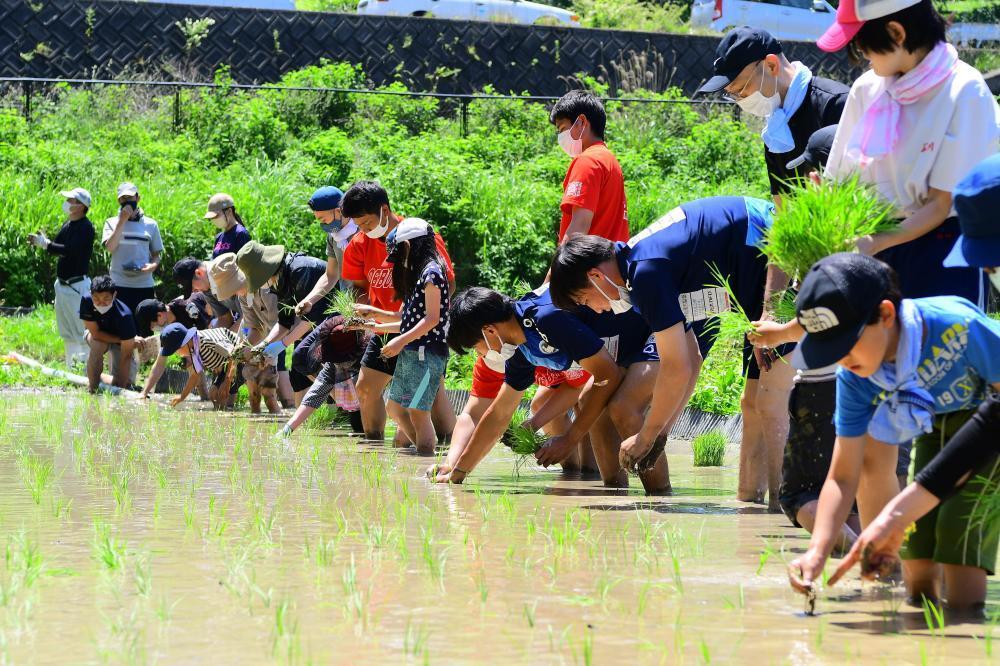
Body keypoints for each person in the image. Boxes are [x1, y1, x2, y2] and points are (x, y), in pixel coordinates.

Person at [786, 253, 1000, 612]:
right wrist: (818, 551)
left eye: (845, 345)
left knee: (958, 540)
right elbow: (842, 476)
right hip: (937, 429)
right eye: (830, 351)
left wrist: (898, 513)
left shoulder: (957, 327)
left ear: (885, 315)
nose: (842, 360)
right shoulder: (855, 377)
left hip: (990, 427)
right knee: (915, 554)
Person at [547, 196, 788, 503]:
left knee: (770, 400)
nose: (595, 310)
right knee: (752, 403)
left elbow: (677, 367)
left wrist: (645, 437)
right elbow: (692, 358)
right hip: (755, 268)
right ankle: (752, 514)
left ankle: (785, 509)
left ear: (595, 276)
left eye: (584, 301)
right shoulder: (639, 264)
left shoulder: (645, 273)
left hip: (775, 253)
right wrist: (660, 435)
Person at [820, 0, 1000, 306]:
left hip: (943, 249)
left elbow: (939, 204)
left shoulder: (964, 91)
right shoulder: (867, 89)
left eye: (863, 45)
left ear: (896, 33)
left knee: (940, 348)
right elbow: (839, 178)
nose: (861, 56)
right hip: (872, 246)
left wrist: (872, 243)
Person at [749, 126, 864, 550]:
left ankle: (861, 555)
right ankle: (874, 566)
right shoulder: (878, 227)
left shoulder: (821, 239)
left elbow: (822, 313)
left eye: (811, 173)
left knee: (798, 495)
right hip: (871, 379)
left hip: (823, 384)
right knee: (850, 489)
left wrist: (777, 332)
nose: (806, 184)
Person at [431, 285, 665, 491]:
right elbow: (499, 414)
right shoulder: (520, 351)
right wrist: (458, 473)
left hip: (652, 331)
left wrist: (570, 438)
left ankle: (661, 497)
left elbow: (607, 376)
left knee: (622, 408)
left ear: (490, 331)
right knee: (601, 428)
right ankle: (619, 507)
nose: (480, 355)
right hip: (619, 354)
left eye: (476, 348)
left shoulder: (547, 318)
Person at [340, 181, 457, 444]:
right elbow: (359, 285)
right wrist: (367, 318)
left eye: (367, 223)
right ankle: (375, 448)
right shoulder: (360, 243)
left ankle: (444, 453)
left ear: (384, 210)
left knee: (430, 403)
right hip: (388, 326)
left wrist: (431, 326)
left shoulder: (418, 236)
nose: (364, 230)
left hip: (422, 333)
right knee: (367, 389)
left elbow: (446, 283)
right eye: (358, 225)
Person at [697, 27, 849, 208]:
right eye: (733, 95)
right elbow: (782, 206)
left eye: (740, 89)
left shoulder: (838, 105)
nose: (740, 100)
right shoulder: (776, 128)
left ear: (771, 65)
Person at [353, 220, 451, 455]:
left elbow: (432, 319)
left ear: (408, 246)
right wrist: (374, 318)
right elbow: (407, 319)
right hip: (411, 352)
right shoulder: (418, 274)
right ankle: (424, 451)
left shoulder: (432, 274)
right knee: (395, 408)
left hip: (426, 353)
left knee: (418, 411)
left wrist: (400, 341)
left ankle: (426, 458)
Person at [235, 240, 334, 405]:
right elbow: (285, 322)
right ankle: (307, 421)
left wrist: (282, 344)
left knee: (303, 358)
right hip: (314, 323)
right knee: (297, 372)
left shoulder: (300, 270)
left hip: (332, 318)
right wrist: (265, 344)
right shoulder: (280, 281)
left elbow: (310, 318)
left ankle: (344, 405)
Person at [549, 90, 630, 244]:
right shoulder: (609, 160)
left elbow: (577, 231)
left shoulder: (587, 161)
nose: (560, 137)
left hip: (589, 266)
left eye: (562, 129)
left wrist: (556, 268)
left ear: (581, 122)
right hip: (611, 265)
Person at [27, 187, 95, 367]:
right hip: (63, 285)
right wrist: (42, 242)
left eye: (72, 200)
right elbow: (55, 246)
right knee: (66, 329)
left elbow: (70, 251)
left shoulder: (86, 227)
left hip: (77, 285)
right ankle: (70, 366)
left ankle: (85, 367)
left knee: (80, 328)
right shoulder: (69, 224)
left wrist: (47, 245)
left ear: (81, 206)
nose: (67, 203)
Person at [277, 315, 368, 437]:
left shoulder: (373, 354)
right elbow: (315, 395)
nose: (340, 364)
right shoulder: (334, 354)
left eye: (343, 361)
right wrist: (288, 429)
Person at [157, 323, 253, 410]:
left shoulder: (204, 341)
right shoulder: (193, 349)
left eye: (176, 350)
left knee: (223, 396)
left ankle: (230, 414)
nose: (178, 354)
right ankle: (222, 415)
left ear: (183, 343)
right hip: (224, 365)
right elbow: (195, 375)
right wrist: (182, 397)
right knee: (213, 395)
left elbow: (233, 354)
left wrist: (227, 382)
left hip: (239, 360)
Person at [101, 182, 163, 316]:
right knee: (120, 328)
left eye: (130, 197)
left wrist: (153, 265)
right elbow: (110, 248)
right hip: (119, 284)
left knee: (144, 328)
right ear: (118, 200)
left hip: (144, 285)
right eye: (123, 198)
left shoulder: (151, 224)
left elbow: (156, 255)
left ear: (137, 198)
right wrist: (122, 221)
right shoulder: (111, 222)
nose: (127, 201)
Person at [298, 186, 359, 310]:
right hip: (347, 306)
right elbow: (331, 275)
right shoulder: (333, 237)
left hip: (370, 306)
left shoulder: (363, 229)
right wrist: (308, 301)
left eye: (324, 220)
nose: (323, 225)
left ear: (338, 211)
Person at [79, 275, 137, 392]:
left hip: (122, 341)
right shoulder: (86, 301)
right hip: (100, 337)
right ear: (91, 294)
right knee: (97, 345)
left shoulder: (125, 316)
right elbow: (95, 333)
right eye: (96, 299)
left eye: (106, 299)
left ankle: (91, 373)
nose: (101, 303)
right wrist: (120, 339)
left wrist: (120, 390)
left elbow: (126, 356)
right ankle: (92, 388)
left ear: (114, 295)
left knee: (126, 383)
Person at [172, 257, 241, 330]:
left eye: (192, 287)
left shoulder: (222, 271)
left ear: (199, 273)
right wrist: (210, 337)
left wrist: (227, 339)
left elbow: (250, 316)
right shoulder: (206, 287)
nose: (194, 291)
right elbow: (224, 318)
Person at [206, 193, 252, 259]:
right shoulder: (219, 237)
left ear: (229, 211)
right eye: (211, 218)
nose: (214, 220)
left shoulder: (241, 234)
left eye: (216, 216)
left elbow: (246, 263)